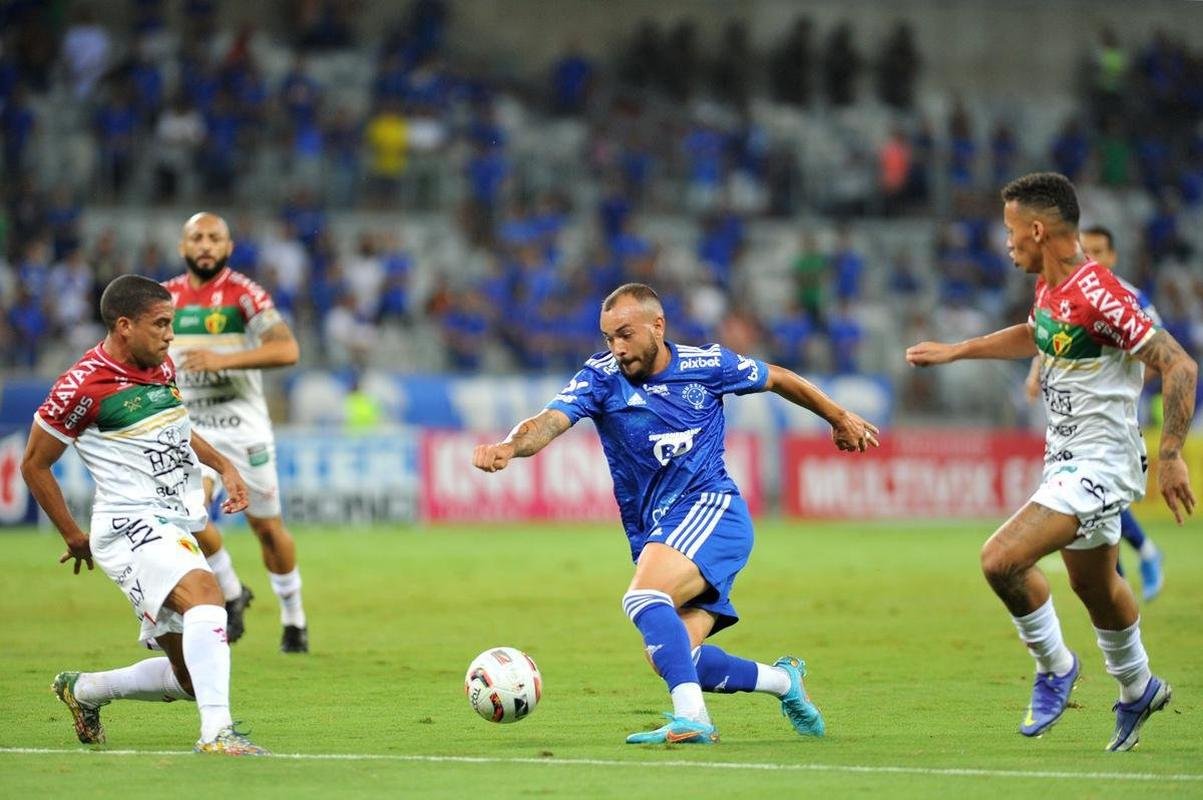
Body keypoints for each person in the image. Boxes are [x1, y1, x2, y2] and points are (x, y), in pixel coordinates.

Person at [472, 283, 880, 744]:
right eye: (608, 337)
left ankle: (693, 718)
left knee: (643, 598)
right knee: (672, 655)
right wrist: (509, 446)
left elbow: (779, 378)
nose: (617, 348)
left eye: (625, 334)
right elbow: (548, 421)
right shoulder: (600, 378)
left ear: (657, 326)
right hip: (659, 529)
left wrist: (838, 417)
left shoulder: (708, 365)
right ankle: (784, 682)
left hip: (711, 510)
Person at [906, 172, 1197, 751]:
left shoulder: (1101, 295)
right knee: (1096, 586)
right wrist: (958, 351)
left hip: (1102, 462)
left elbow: (1180, 365)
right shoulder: (1050, 287)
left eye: (1010, 229)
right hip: (1065, 459)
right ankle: (1138, 687)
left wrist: (1171, 456)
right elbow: (1036, 335)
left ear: (1037, 230)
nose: (1006, 241)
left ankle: (1055, 666)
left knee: (1001, 560)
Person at [21, 275, 269, 755]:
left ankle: (84, 689)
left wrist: (224, 465)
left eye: (171, 323)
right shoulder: (81, 385)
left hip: (171, 521)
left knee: (190, 678)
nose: (170, 335)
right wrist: (72, 533)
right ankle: (217, 734)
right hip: (130, 523)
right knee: (207, 595)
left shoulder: (159, 365)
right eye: (161, 324)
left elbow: (178, 427)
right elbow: (34, 463)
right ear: (124, 325)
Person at [163, 213, 309, 653]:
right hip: (192, 429)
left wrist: (221, 360)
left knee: (267, 529)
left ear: (228, 247)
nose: (206, 245)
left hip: (244, 429)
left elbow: (287, 349)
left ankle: (294, 618)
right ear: (183, 247)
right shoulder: (165, 299)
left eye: (215, 238)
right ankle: (231, 591)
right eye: (197, 238)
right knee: (187, 515)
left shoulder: (244, 294)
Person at [1023, 225, 1164, 601]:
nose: (1093, 257)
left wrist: (1124, 389)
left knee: (1095, 501)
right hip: (1072, 417)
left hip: (1114, 418)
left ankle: (1143, 555)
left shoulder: (1130, 297)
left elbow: (1160, 355)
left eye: (1100, 251)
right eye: (1087, 250)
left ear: (1113, 256)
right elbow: (1053, 338)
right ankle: (1127, 575)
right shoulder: (1066, 291)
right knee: (1096, 509)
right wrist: (1036, 373)